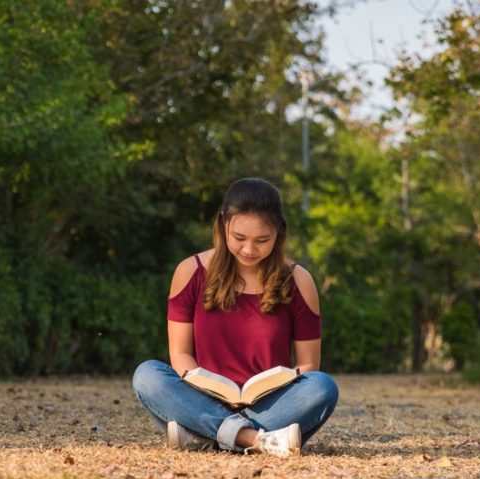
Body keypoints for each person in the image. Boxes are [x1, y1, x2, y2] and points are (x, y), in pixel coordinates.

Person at [132, 177, 339, 457]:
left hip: (270, 404)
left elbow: (308, 365)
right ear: (222, 224)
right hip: (203, 399)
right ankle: (254, 439)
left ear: (279, 232)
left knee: (322, 387)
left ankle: (206, 436)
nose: (249, 250)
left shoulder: (299, 280)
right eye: (239, 238)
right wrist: (213, 395)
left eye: (262, 240)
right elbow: (180, 355)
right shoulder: (190, 271)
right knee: (147, 376)